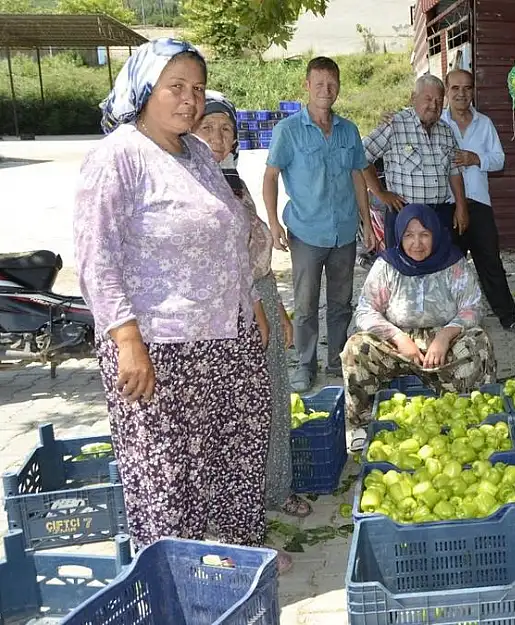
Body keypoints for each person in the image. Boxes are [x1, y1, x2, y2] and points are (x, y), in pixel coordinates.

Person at [72, 38, 279, 568]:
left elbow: (230, 235)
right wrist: (126, 341)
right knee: (166, 471)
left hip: (225, 335)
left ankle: (238, 555)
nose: (190, 100)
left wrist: (249, 303)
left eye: (198, 88)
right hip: (158, 345)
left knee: (238, 448)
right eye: (176, 88)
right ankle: (178, 574)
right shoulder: (117, 158)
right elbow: (96, 258)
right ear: (145, 90)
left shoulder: (198, 156)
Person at [192, 90, 313, 521]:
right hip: (228, 310)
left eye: (226, 129)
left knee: (275, 402)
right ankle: (238, 507)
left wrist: (277, 309)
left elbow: (257, 257)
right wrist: (259, 309)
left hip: (260, 296)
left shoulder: (232, 181)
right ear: (189, 131)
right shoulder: (191, 187)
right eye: (207, 128)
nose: (219, 137)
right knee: (241, 413)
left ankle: (276, 489)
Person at [263, 56, 373, 393]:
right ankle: (305, 365)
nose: (326, 90)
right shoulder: (289, 130)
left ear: (339, 86)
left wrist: (367, 223)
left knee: (341, 302)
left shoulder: (348, 130)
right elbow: (270, 177)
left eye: (332, 83)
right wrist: (273, 224)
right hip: (306, 233)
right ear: (306, 86)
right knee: (307, 303)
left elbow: (358, 177)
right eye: (319, 83)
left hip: (343, 232)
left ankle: (337, 360)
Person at [340, 204, 496, 424]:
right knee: (355, 347)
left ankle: (472, 417)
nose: (417, 243)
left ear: (436, 234)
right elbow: (365, 311)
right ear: (399, 236)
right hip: (396, 346)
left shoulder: (452, 262)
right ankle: (363, 423)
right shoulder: (387, 265)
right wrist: (398, 338)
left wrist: (444, 337)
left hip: (444, 346)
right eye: (409, 235)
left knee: (479, 341)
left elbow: (473, 306)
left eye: (425, 235)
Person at [440, 68, 515, 336]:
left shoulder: (484, 123)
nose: (461, 93)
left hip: (479, 203)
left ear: (473, 91)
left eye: (467, 88)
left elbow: (499, 159)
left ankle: (509, 317)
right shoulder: (437, 122)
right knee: (448, 265)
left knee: (490, 263)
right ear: (447, 90)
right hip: (447, 204)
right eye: (455, 88)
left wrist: (476, 158)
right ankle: (448, 322)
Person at [361, 74, 469, 252]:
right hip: (403, 215)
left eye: (438, 100)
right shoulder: (394, 124)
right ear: (413, 98)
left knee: (440, 272)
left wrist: (461, 206)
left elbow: (455, 171)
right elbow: (361, 157)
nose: (433, 105)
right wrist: (380, 192)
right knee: (404, 273)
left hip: (440, 215)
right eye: (427, 99)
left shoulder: (446, 131)